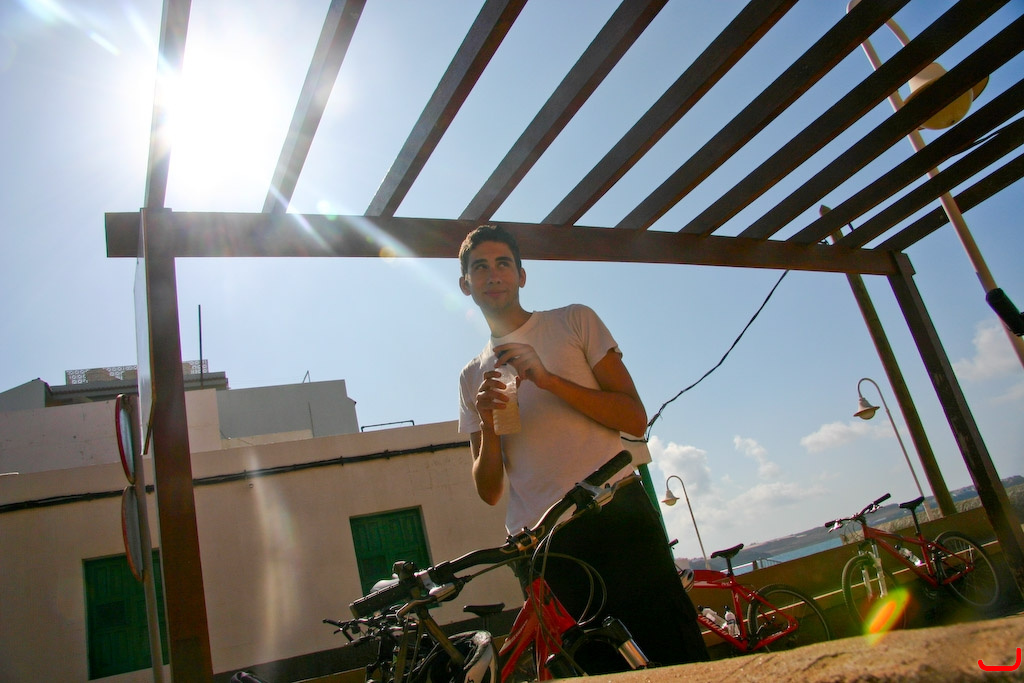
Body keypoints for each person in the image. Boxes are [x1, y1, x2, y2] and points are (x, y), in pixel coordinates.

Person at [456, 224, 708, 669]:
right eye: (480, 267)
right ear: (466, 285)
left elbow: (634, 418)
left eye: (503, 264)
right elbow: (489, 490)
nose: (493, 275)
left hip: (617, 514)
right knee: (594, 668)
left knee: (676, 654)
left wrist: (549, 380)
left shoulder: (574, 320)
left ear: (521, 276)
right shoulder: (471, 375)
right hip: (544, 545)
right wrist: (490, 428)